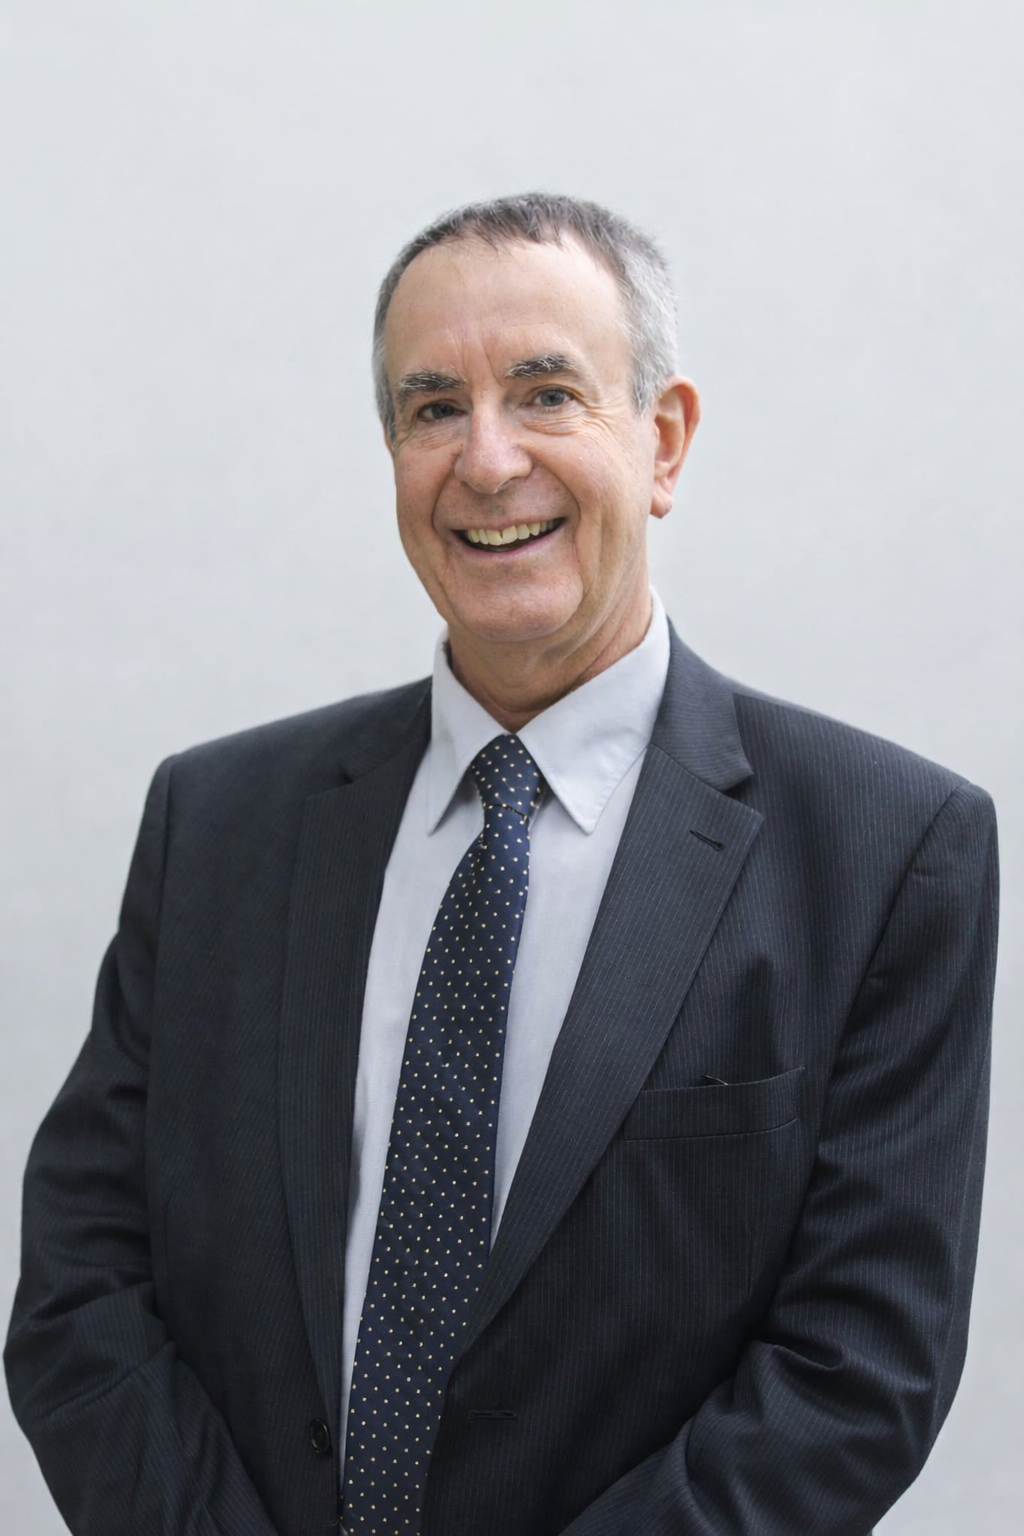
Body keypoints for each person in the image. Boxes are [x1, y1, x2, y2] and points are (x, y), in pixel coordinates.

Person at [5, 192, 999, 1536]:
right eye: (431, 408)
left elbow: (854, 1371)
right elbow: (82, 1282)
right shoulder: (217, 826)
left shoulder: (889, 853)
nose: (484, 461)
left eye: (544, 393)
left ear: (661, 441)